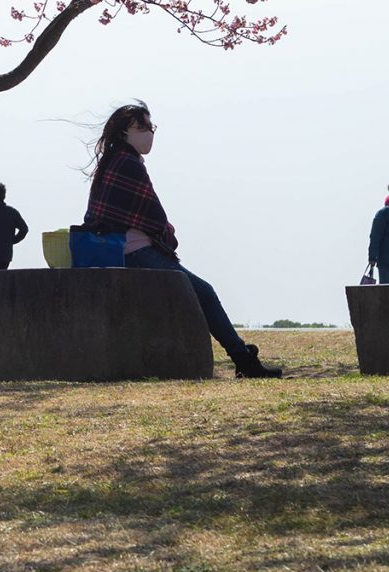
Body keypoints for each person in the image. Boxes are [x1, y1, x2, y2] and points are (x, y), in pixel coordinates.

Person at [82, 101, 281, 378]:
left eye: (150, 127)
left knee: (200, 291)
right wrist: (166, 231)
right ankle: (243, 359)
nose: (148, 133)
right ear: (123, 131)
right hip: (135, 253)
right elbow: (152, 216)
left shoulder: (113, 162)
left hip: (121, 251)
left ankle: (242, 357)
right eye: (141, 127)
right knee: (204, 292)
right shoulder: (128, 164)